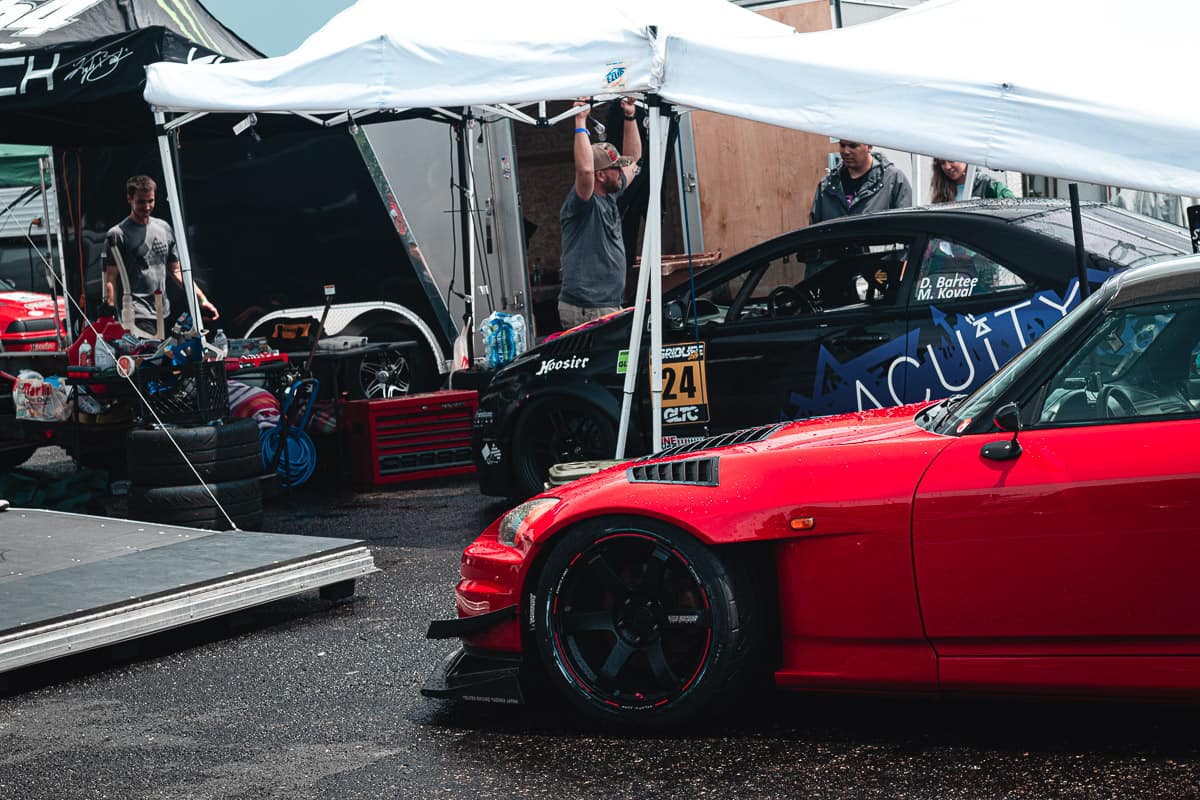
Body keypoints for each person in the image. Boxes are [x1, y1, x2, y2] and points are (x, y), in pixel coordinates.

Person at [558, 97, 642, 330]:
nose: (622, 172)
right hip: (588, 309)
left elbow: (634, 159)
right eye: (616, 168)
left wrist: (629, 116)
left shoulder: (611, 194)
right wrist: (580, 120)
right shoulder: (584, 201)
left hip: (606, 305)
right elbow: (585, 169)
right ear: (601, 175)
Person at [104, 175, 218, 334]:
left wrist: (202, 300)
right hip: (136, 315)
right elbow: (110, 277)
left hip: (163, 312)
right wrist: (110, 313)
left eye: (150, 201)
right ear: (129, 199)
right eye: (141, 202)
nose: (147, 206)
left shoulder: (163, 228)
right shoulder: (117, 234)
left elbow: (176, 271)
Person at [810, 140, 912, 224]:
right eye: (842, 145)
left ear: (869, 146)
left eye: (853, 146)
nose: (846, 151)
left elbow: (907, 228)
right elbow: (813, 234)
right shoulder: (827, 185)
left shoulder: (893, 180)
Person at [930, 159, 1016, 203]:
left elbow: (1013, 208)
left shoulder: (988, 185)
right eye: (942, 163)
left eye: (951, 160)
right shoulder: (941, 190)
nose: (947, 167)